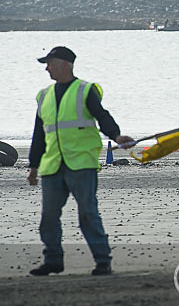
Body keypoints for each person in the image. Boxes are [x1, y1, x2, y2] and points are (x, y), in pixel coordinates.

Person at [27, 46, 133, 276]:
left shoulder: (85, 90)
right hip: (53, 165)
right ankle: (53, 261)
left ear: (65, 63)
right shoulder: (44, 95)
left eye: (50, 63)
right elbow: (39, 134)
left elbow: (102, 116)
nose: (47, 68)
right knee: (49, 217)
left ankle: (102, 261)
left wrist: (116, 136)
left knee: (87, 214)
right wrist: (33, 167)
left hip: (81, 164)